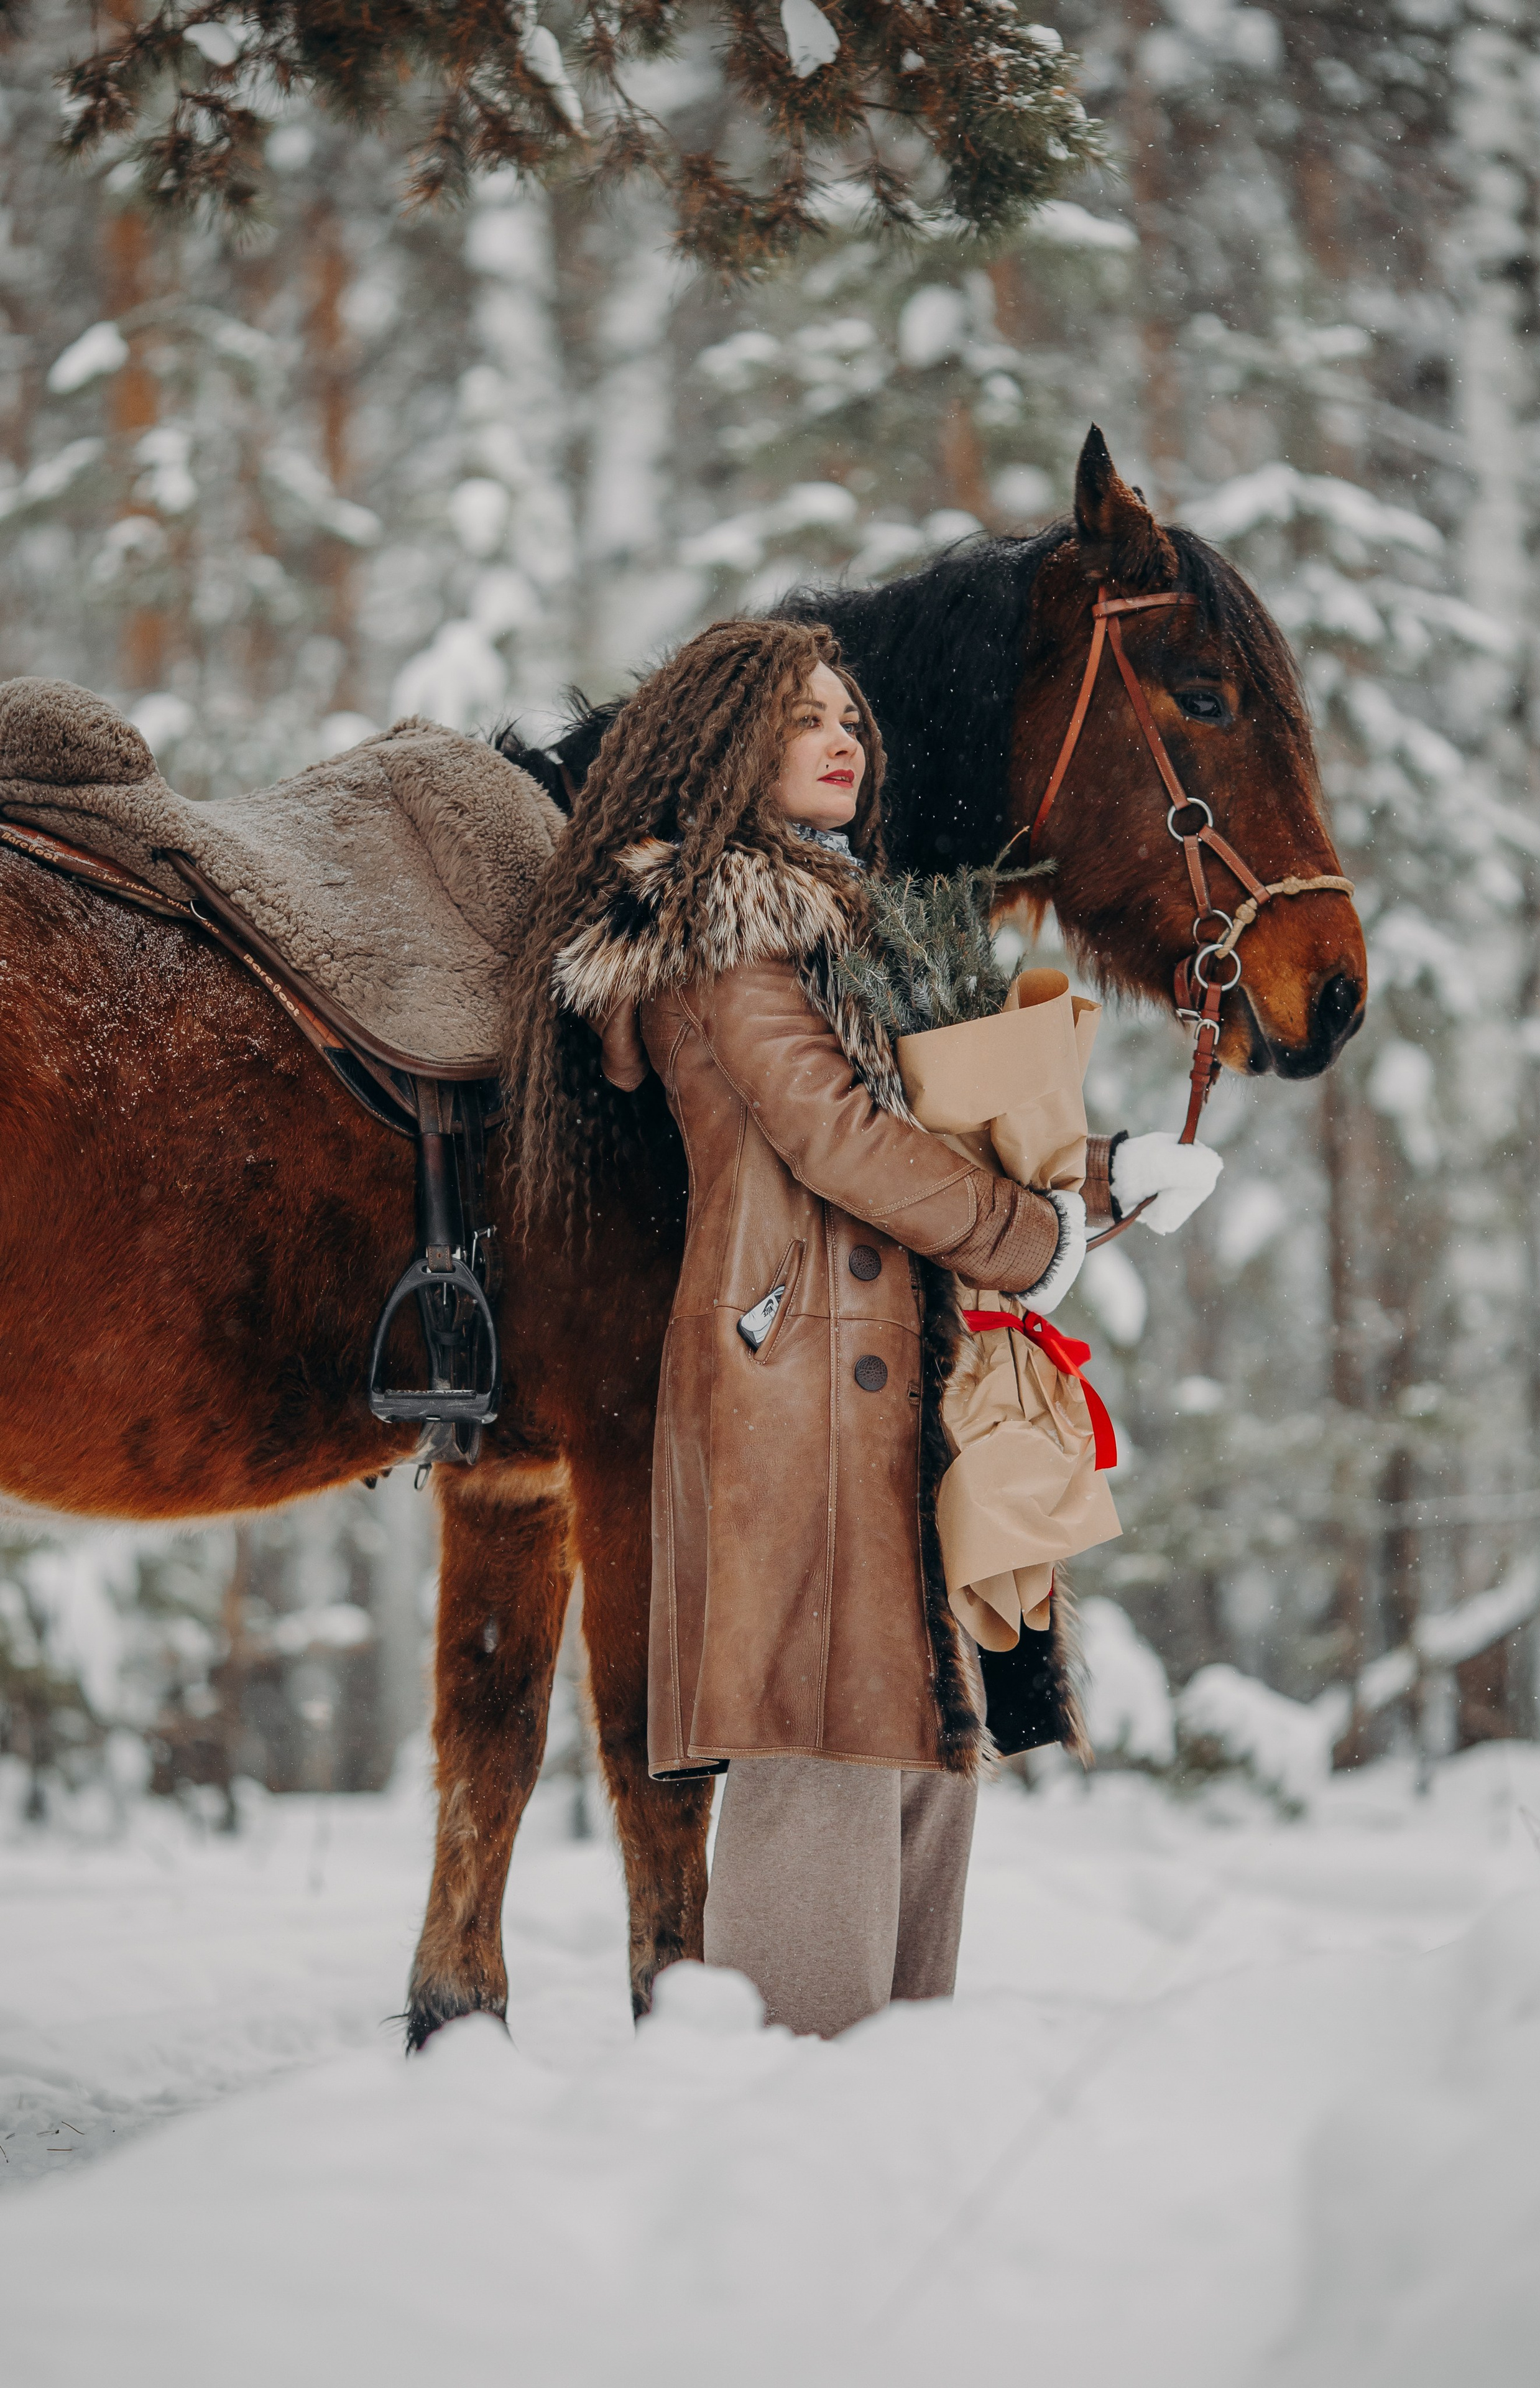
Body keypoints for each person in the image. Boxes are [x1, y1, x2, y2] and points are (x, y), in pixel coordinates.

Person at [515, 618, 1218, 2039]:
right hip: (787, 1371)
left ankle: (900, 2087)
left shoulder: (859, 924)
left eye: (848, 716)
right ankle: (780, 2103)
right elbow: (835, 1134)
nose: (843, 737)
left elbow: (926, 1118)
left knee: (921, 1735)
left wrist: (1101, 1174)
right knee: (821, 1735)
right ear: (723, 749)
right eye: (798, 720)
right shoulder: (716, 927)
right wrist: (1031, 1240)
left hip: (894, 1374)